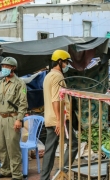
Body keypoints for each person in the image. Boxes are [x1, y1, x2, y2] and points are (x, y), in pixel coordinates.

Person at [0, 57, 27, 180]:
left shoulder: (20, 83)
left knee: (12, 147)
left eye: (7, 66)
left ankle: (16, 174)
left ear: (13, 68)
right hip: (1, 118)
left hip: (12, 117)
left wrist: (19, 119)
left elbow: (23, 103)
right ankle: (5, 170)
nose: (4, 68)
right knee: (2, 146)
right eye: (3, 66)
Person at [40, 50, 78, 180]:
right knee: (73, 144)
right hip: (59, 118)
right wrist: (59, 120)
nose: (67, 65)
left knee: (49, 150)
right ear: (60, 61)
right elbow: (56, 99)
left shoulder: (48, 75)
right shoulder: (58, 76)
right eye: (66, 62)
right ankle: (61, 173)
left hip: (50, 118)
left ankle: (44, 178)